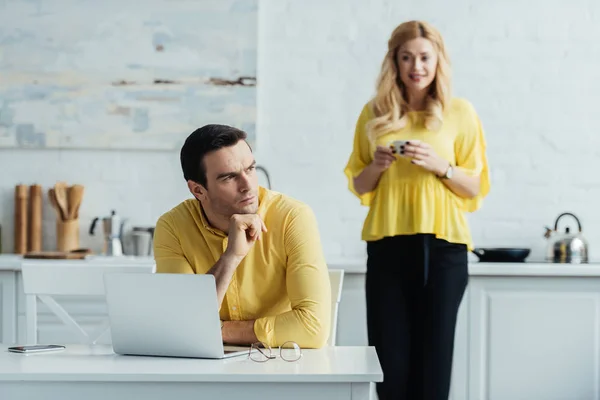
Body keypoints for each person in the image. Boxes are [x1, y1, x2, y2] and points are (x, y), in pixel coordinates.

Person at [343, 20, 490, 400]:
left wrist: (441, 165)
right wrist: (375, 165)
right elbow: (359, 185)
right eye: (406, 57)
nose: (416, 66)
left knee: (434, 364)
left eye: (425, 57)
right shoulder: (374, 113)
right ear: (394, 62)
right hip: (388, 247)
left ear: (438, 60)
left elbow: (476, 185)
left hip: (445, 251)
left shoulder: (460, 112)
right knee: (390, 366)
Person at [154, 124, 331, 349]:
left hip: (281, 364)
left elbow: (312, 329)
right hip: (204, 369)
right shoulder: (173, 227)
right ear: (198, 191)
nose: (248, 186)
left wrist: (218, 330)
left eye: (250, 169)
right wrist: (231, 257)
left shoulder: (292, 217)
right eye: (229, 177)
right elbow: (180, 326)